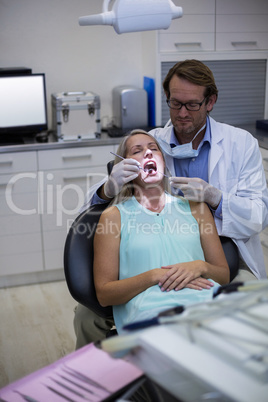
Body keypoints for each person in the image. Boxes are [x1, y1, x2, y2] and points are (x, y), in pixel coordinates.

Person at [74, 59, 268, 348]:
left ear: (210, 101)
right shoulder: (153, 141)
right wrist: (107, 187)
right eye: (175, 104)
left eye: (191, 105)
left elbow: (258, 216)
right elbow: (86, 214)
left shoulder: (242, 144)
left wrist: (216, 200)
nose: (181, 114)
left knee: (254, 307)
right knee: (87, 318)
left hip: (228, 248)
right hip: (155, 253)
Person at [93, 130, 229, 333]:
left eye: (153, 149)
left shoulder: (197, 208)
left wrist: (200, 266)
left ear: (163, 162)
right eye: (137, 151)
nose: (147, 153)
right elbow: (104, 294)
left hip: (208, 307)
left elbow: (223, 275)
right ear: (124, 167)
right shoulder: (113, 217)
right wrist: (154, 276)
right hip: (151, 315)